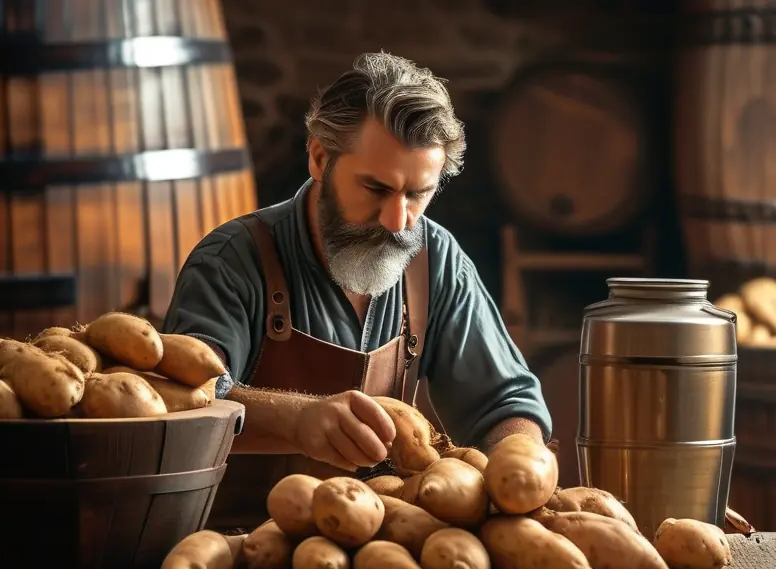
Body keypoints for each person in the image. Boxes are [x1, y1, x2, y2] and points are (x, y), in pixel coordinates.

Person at [162, 51, 552, 529]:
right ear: (320, 158)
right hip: (238, 550)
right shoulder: (231, 262)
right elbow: (184, 400)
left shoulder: (435, 259)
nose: (397, 222)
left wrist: (521, 464)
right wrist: (296, 420)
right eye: (376, 189)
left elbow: (504, 404)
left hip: (383, 550)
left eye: (417, 195)